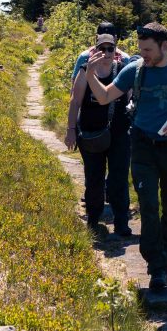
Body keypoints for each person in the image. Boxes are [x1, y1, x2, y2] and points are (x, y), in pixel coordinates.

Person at [85, 22, 167, 291]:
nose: (144, 55)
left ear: (164, 46)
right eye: (141, 49)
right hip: (142, 146)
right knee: (149, 207)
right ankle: (156, 269)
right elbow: (105, 97)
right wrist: (91, 73)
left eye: (148, 49)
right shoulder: (135, 70)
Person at [65, 33, 132, 236]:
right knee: (93, 177)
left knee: (118, 178)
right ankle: (93, 220)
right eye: (102, 49)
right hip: (91, 132)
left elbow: (129, 100)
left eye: (110, 49)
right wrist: (71, 131)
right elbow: (75, 102)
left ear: (116, 51)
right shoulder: (85, 71)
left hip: (119, 133)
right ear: (94, 51)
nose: (106, 53)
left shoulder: (121, 71)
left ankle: (121, 222)